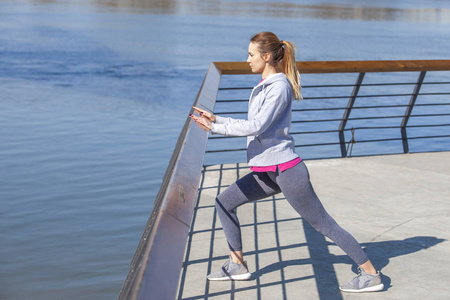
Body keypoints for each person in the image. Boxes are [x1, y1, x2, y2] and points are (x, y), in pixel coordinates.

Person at [189, 31, 384, 293]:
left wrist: (215, 128)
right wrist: (216, 119)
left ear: (266, 56)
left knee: (323, 223)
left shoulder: (279, 87)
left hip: (286, 171)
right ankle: (237, 265)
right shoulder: (266, 84)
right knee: (224, 202)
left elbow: (257, 125)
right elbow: (255, 123)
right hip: (267, 170)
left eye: (251, 54)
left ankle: (370, 273)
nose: (247, 59)